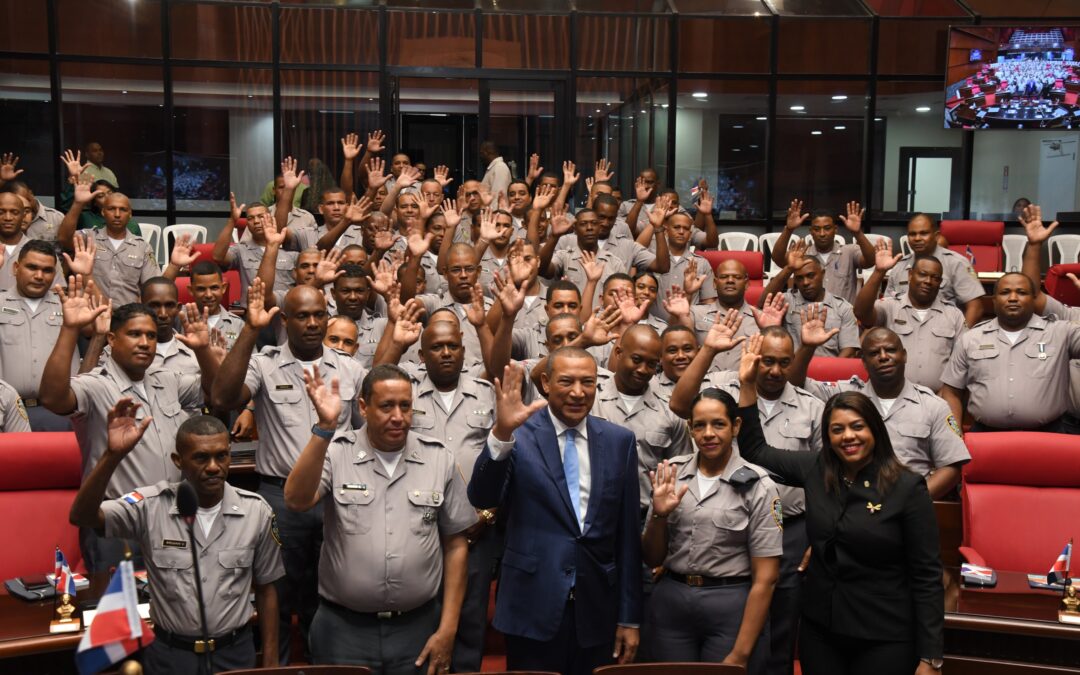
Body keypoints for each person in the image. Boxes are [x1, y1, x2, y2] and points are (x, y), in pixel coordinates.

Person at [735, 335, 944, 675]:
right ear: (828, 437)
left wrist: (931, 656)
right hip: (822, 630)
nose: (848, 436)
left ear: (875, 431)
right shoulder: (818, 468)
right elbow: (756, 451)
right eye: (837, 430)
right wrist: (747, 387)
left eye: (857, 427)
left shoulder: (907, 487)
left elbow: (927, 575)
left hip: (884, 634)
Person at [210, 279, 368, 663]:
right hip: (280, 497)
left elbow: (364, 435)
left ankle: (324, 667)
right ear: (284, 320)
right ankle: (274, 668)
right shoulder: (264, 364)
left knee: (329, 593)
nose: (312, 323)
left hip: (335, 495)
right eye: (302, 316)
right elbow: (222, 397)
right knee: (275, 594)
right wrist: (250, 329)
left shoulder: (350, 369)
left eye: (319, 315)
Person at [284, 364, 474, 671]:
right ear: (363, 406)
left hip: (417, 627)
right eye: (386, 406)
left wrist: (449, 628)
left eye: (405, 406)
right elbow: (296, 500)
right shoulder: (337, 452)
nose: (398, 416)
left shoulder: (438, 458)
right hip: (343, 629)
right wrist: (324, 428)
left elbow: (456, 545)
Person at [69, 403, 283, 673]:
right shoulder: (150, 506)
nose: (214, 467)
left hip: (234, 654)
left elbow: (267, 590)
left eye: (222, 456)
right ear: (178, 460)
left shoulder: (256, 511)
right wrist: (112, 455)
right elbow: (82, 517)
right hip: (171, 657)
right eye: (201, 458)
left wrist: (272, 664)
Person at [469, 354, 642, 675]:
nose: (578, 392)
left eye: (587, 382)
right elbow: (482, 496)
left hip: (597, 609)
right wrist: (502, 432)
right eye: (566, 381)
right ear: (546, 384)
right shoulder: (518, 435)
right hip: (531, 606)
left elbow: (628, 537)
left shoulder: (621, 442)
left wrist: (629, 617)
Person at [669, 321, 823, 675]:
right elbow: (680, 404)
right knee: (733, 614)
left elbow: (823, 476)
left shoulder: (812, 407)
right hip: (722, 525)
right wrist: (713, 354)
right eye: (766, 360)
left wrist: (819, 534)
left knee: (783, 622)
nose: (773, 369)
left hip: (791, 529)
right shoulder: (723, 387)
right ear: (752, 356)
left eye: (784, 362)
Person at [41, 282, 220, 571]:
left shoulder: (167, 380)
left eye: (150, 335)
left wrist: (202, 352)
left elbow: (218, 393)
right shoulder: (97, 385)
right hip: (118, 520)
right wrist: (70, 329)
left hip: (171, 516)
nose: (145, 342)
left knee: (171, 607)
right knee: (120, 611)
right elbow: (52, 397)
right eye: (134, 334)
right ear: (112, 339)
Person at [642, 389, 781, 672]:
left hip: (730, 605)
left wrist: (741, 654)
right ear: (690, 429)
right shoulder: (671, 475)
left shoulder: (759, 485)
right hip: (672, 603)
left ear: (736, 427)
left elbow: (766, 579)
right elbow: (652, 559)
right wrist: (659, 515)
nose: (708, 433)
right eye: (699, 425)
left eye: (718, 424)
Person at [790, 319, 970, 499]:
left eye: (890, 350)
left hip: (908, 508)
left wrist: (913, 502)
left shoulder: (933, 405)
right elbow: (795, 385)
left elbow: (952, 466)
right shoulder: (845, 394)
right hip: (852, 506)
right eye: (874, 353)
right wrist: (807, 347)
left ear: (904, 355)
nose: (883, 356)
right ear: (864, 362)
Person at [940, 272, 1080, 433]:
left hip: (1048, 435)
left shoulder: (1061, 332)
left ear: (1034, 299)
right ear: (994, 300)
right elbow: (951, 392)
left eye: (1021, 292)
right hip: (986, 436)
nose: (1013, 298)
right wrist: (954, 432)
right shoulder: (970, 339)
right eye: (1005, 292)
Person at [593, 325, 691, 515]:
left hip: (645, 517)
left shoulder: (669, 410)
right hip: (596, 512)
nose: (643, 369)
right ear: (619, 352)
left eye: (652, 364)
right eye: (636, 360)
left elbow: (680, 472)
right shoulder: (591, 398)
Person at [854, 240, 966, 392]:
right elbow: (861, 312)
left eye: (935, 278)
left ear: (940, 283)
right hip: (891, 395)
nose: (928, 281)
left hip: (937, 400)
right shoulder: (890, 306)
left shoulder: (954, 315)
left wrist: (948, 393)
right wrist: (879, 272)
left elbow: (961, 362)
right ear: (910, 275)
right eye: (923, 274)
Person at [0, 239, 85, 430]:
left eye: (47, 270)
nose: (39, 276)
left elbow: (101, 326)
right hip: (7, 412)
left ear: (55, 274)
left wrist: (87, 275)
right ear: (15, 268)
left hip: (59, 413)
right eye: (32, 267)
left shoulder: (69, 306)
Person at [58, 183, 160, 305]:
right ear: (103, 212)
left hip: (127, 317)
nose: (117, 214)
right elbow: (64, 238)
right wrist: (78, 204)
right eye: (111, 209)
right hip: (90, 315)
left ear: (130, 214)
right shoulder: (88, 238)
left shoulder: (143, 247)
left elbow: (153, 286)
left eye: (123, 209)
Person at [883, 214, 984, 327]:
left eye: (923, 233)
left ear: (936, 236)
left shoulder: (957, 263)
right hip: (902, 333)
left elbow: (976, 307)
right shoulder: (899, 266)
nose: (917, 238)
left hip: (942, 335)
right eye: (912, 234)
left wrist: (960, 337)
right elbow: (886, 308)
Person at [769, 200, 875, 305]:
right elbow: (777, 258)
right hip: (809, 316)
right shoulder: (802, 255)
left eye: (827, 228)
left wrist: (857, 233)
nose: (822, 233)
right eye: (817, 229)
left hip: (843, 319)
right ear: (811, 231)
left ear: (835, 229)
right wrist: (788, 229)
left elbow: (871, 261)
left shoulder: (849, 252)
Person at [762, 243, 858, 358]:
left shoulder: (843, 308)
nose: (806, 282)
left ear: (822, 274)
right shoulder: (787, 301)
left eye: (810, 275)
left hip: (829, 370)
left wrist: (830, 372)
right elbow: (763, 303)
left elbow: (849, 350)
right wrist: (789, 268)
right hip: (792, 370)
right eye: (799, 278)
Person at [188, 260, 244, 350]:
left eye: (214, 288)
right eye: (201, 289)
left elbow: (250, 361)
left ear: (223, 288)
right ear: (191, 290)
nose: (208, 295)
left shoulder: (238, 324)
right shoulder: (180, 319)